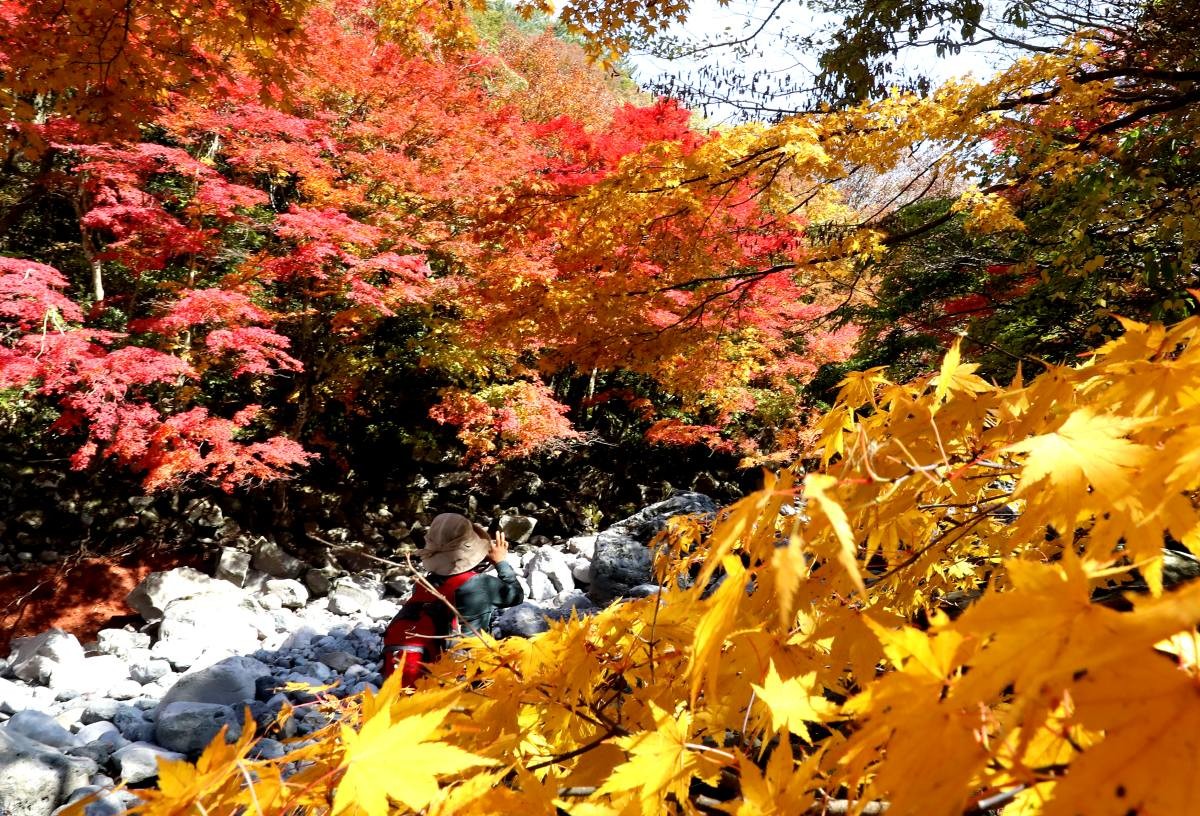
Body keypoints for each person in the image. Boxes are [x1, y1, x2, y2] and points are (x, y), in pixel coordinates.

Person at [382, 512, 524, 687]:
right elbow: (516, 595)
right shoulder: (481, 584)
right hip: (467, 672)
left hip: (428, 666)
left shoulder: (422, 583)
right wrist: (500, 562)